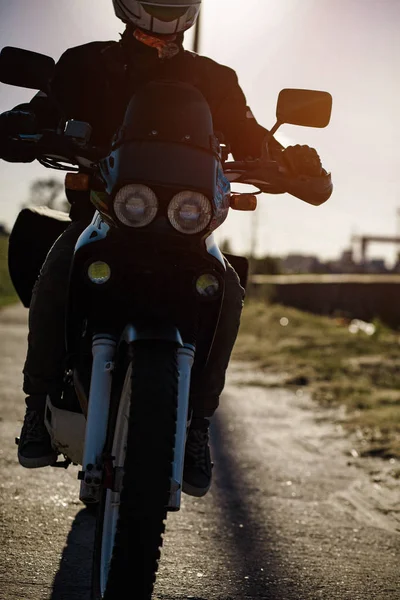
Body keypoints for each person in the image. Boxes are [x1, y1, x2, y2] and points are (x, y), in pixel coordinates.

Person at [0, 0, 332, 497]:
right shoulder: (86, 63)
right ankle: (38, 400)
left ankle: (196, 425)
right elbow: (46, 107)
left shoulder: (215, 78)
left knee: (229, 292)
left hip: (186, 227)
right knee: (60, 265)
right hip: (103, 214)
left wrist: (290, 160)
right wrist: (24, 119)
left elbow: (251, 137)